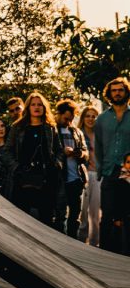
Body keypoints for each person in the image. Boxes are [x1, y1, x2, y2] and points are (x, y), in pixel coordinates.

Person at [4, 92, 63, 226]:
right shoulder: (17, 127)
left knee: (46, 220)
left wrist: (57, 164)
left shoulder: (50, 127)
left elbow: (59, 150)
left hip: (46, 179)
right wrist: (16, 168)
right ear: (28, 107)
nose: (37, 107)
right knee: (23, 222)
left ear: (44, 107)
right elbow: (7, 151)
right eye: (33, 104)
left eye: (40, 104)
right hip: (23, 180)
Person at [95, 76, 130, 251]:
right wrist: (101, 169)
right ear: (109, 93)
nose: (117, 93)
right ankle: (105, 252)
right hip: (109, 172)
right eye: (114, 90)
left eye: (120, 90)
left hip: (128, 173)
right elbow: (98, 146)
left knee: (127, 216)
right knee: (107, 215)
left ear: (126, 92)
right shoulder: (101, 119)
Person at [53, 99, 88, 239]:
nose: (68, 122)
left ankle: (74, 242)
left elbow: (86, 153)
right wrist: (63, 152)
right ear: (59, 114)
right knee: (59, 216)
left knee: (75, 216)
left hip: (76, 179)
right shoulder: (52, 130)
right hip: (59, 180)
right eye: (66, 118)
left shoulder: (76, 131)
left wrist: (79, 153)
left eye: (71, 119)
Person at [78, 105, 101, 247]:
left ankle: (94, 244)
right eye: (88, 116)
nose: (91, 119)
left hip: (98, 175)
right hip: (83, 175)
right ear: (83, 118)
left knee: (95, 213)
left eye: (93, 116)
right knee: (82, 213)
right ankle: (80, 242)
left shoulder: (100, 135)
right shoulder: (78, 133)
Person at [111, 152, 130, 254]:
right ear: (124, 164)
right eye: (128, 162)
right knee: (124, 242)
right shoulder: (121, 181)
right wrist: (117, 218)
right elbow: (117, 201)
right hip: (124, 217)